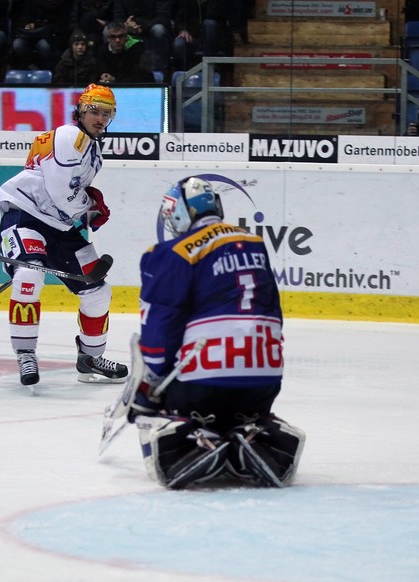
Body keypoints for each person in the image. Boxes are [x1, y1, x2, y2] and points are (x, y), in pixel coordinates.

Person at [127, 176, 305, 490]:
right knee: (239, 410)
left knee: (152, 401)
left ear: (180, 213)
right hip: (263, 379)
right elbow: (273, 311)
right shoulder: (254, 242)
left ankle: (191, 439)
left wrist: (149, 388)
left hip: (204, 383)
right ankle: (254, 431)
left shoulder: (173, 251)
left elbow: (160, 328)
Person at [0, 83, 129, 387]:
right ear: (81, 110)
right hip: (26, 215)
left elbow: (67, 193)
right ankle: (26, 353)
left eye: (106, 113)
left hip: (58, 226)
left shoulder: (91, 148)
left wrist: (89, 208)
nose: (99, 118)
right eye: (94, 111)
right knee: (29, 276)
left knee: (98, 292)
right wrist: (90, 206)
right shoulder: (71, 136)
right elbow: (60, 194)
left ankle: (90, 358)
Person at [113, 0, 170, 78]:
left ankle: (158, 73)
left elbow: (163, 17)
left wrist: (141, 27)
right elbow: (118, 17)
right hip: (128, 30)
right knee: (109, 32)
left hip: (150, 27)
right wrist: (126, 25)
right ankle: (114, 74)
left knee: (158, 30)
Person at [172, 0, 233, 72]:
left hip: (215, 39)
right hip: (193, 38)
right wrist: (182, 30)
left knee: (209, 23)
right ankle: (186, 76)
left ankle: (209, 69)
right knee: (179, 44)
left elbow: (216, 15)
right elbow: (179, 17)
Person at [94, 19, 153, 84]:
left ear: (126, 37)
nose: (117, 40)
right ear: (108, 39)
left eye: (121, 36)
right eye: (113, 37)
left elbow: (141, 77)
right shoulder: (102, 51)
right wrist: (104, 77)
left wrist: (115, 80)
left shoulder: (137, 49)